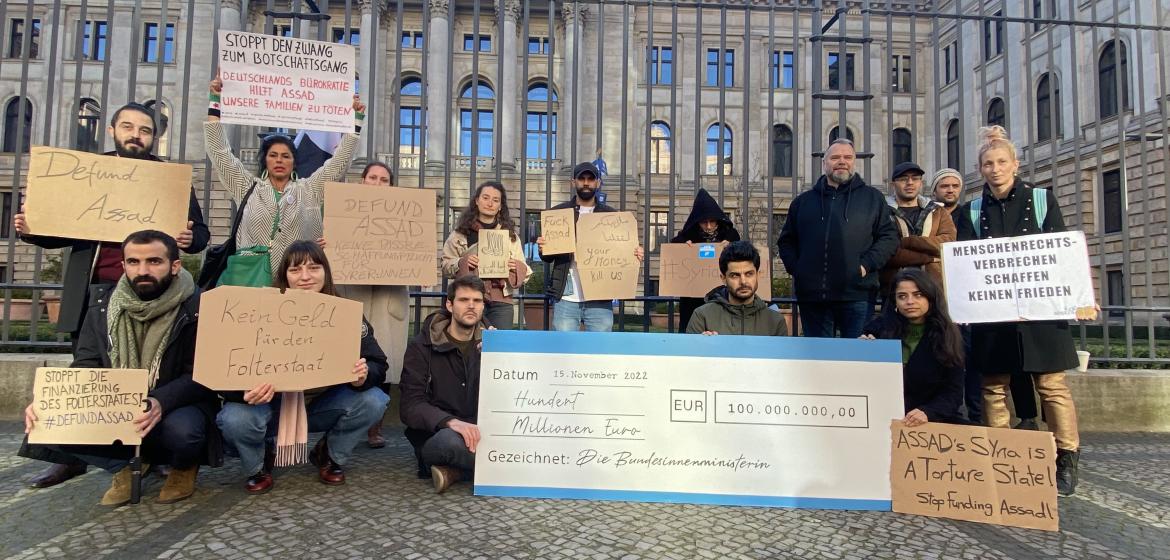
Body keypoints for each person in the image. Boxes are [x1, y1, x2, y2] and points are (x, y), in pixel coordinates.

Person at [14, 102, 210, 489]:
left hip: (152, 291)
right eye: (128, 127)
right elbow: (59, 229)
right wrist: (29, 229)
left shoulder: (169, 179)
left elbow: (200, 235)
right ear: (112, 131)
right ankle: (72, 457)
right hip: (94, 291)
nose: (136, 135)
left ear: (155, 136)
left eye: (145, 130)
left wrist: (190, 239)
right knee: (89, 375)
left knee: (154, 372)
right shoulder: (88, 171)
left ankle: (150, 452)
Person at [22, 230, 219, 505]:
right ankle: (123, 468)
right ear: (123, 265)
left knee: (184, 432)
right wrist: (50, 401)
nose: (143, 270)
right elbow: (87, 363)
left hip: (177, 402)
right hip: (117, 400)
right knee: (49, 423)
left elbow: (202, 374)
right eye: (134, 262)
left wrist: (160, 401)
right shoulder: (103, 305)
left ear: (175, 266)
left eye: (154, 262)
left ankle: (184, 467)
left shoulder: (197, 306)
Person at [954, 125, 1090, 496]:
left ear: (1015, 164)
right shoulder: (971, 211)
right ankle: (1001, 457)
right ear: (980, 169)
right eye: (987, 164)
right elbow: (966, 266)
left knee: (1052, 386)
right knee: (993, 387)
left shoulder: (1043, 200)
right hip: (994, 315)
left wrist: (1079, 297)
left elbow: (1063, 253)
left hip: (1041, 311)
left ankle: (1067, 456)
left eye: (1001, 162)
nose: (995, 169)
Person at [215, 241, 389, 493]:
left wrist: (363, 377)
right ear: (284, 275)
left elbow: (378, 364)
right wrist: (244, 392)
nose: (305, 277)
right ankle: (258, 463)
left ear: (326, 272)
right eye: (295, 270)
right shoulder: (258, 311)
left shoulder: (345, 313)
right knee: (234, 417)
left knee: (374, 400)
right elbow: (225, 371)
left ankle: (330, 454)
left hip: (320, 406)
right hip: (269, 406)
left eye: (314, 268)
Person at [204, 74, 363, 282]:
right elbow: (220, 153)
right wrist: (214, 103)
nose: (279, 160)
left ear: (293, 162)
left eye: (286, 156)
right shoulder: (246, 187)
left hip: (295, 283)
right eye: (273, 155)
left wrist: (355, 123)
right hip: (250, 282)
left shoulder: (309, 190)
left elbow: (338, 163)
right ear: (265, 160)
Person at [777, 139, 898, 338]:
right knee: (818, 359)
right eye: (835, 157)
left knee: (857, 360)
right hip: (813, 297)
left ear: (854, 163)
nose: (841, 161)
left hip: (857, 294)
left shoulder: (872, 198)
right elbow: (786, 241)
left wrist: (865, 265)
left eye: (847, 157)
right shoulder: (803, 202)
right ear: (824, 163)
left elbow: (888, 237)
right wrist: (799, 269)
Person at [331, 162, 409, 449]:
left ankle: (375, 426)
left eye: (384, 179)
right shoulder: (345, 211)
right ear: (362, 181)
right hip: (355, 294)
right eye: (372, 178)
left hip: (389, 297)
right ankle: (347, 421)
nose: (377, 183)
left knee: (386, 360)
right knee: (351, 359)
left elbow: (418, 252)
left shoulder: (405, 215)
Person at [400, 275, 491, 493]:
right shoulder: (421, 347)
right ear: (449, 305)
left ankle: (456, 472)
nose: (471, 305)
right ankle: (498, 468)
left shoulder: (493, 343)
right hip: (439, 434)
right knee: (449, 443)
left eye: (477, 301)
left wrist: (500, 358)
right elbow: (410, 406)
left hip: (482, 431)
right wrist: (450, 422)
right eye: (463, 300)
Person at [536, 162, 644, 332]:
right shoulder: (557, 213)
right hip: (567, 295)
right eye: (582, 179)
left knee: (599, 350)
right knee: (565, 350)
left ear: (598, 183)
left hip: (600, 296)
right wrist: (543, 248)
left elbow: (622, 253)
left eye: (591, 179)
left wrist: (634, 253)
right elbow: (547, 258)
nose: (586, 183)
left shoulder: (612, 216)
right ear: (573, 182)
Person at [861, 269, 967, 426]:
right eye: (902, 296)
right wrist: (860, 353)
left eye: (918, 295)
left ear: (930, 298)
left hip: (930, 421)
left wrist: (928, 412)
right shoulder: (876, 330)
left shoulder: (948, 335)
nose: (909, 301)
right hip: (882, 418)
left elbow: (953, 394)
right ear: (895, 301)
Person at [441, 181, 531, 329]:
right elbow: (444, 266)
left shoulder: (510, 236)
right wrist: (461, 263)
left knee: (498, 348)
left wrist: (516, 267)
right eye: (486, 198)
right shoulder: (460, 234)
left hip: (501, 303)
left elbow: (525, 272)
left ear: (500, 206)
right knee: (468, 346)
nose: (490, 203)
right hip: (468, 299)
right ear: (477, 201)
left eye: (496, 200)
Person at [878, 161, 956, 295]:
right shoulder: (882, 212)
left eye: (915, 178)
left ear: (921, 183)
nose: (910, 182)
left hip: (934, 288)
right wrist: (930, 258)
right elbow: (888, 253)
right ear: (892, 185)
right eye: (903, 179)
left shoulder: (938, 211)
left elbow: (947, 244)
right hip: (895, 290)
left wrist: (909, 242)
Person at [671, 188, 741, 332]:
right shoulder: (687, 234)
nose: (709, 226)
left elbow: (742, 254)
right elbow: (673, 249)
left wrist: (731, 245)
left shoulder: (729, 234)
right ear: (697, 222)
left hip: (721, 297)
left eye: (712, 221)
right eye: (704, 222)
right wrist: (683, 246)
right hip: (692, 300)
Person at [687, 241, 786, 337]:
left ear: (758, 275)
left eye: (749, 274)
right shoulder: (702, 316)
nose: (743, 281)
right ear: (723, 278)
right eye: (735, 275)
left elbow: (781, 354)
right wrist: (702, 346)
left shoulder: (775, 321)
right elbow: (689, 352)